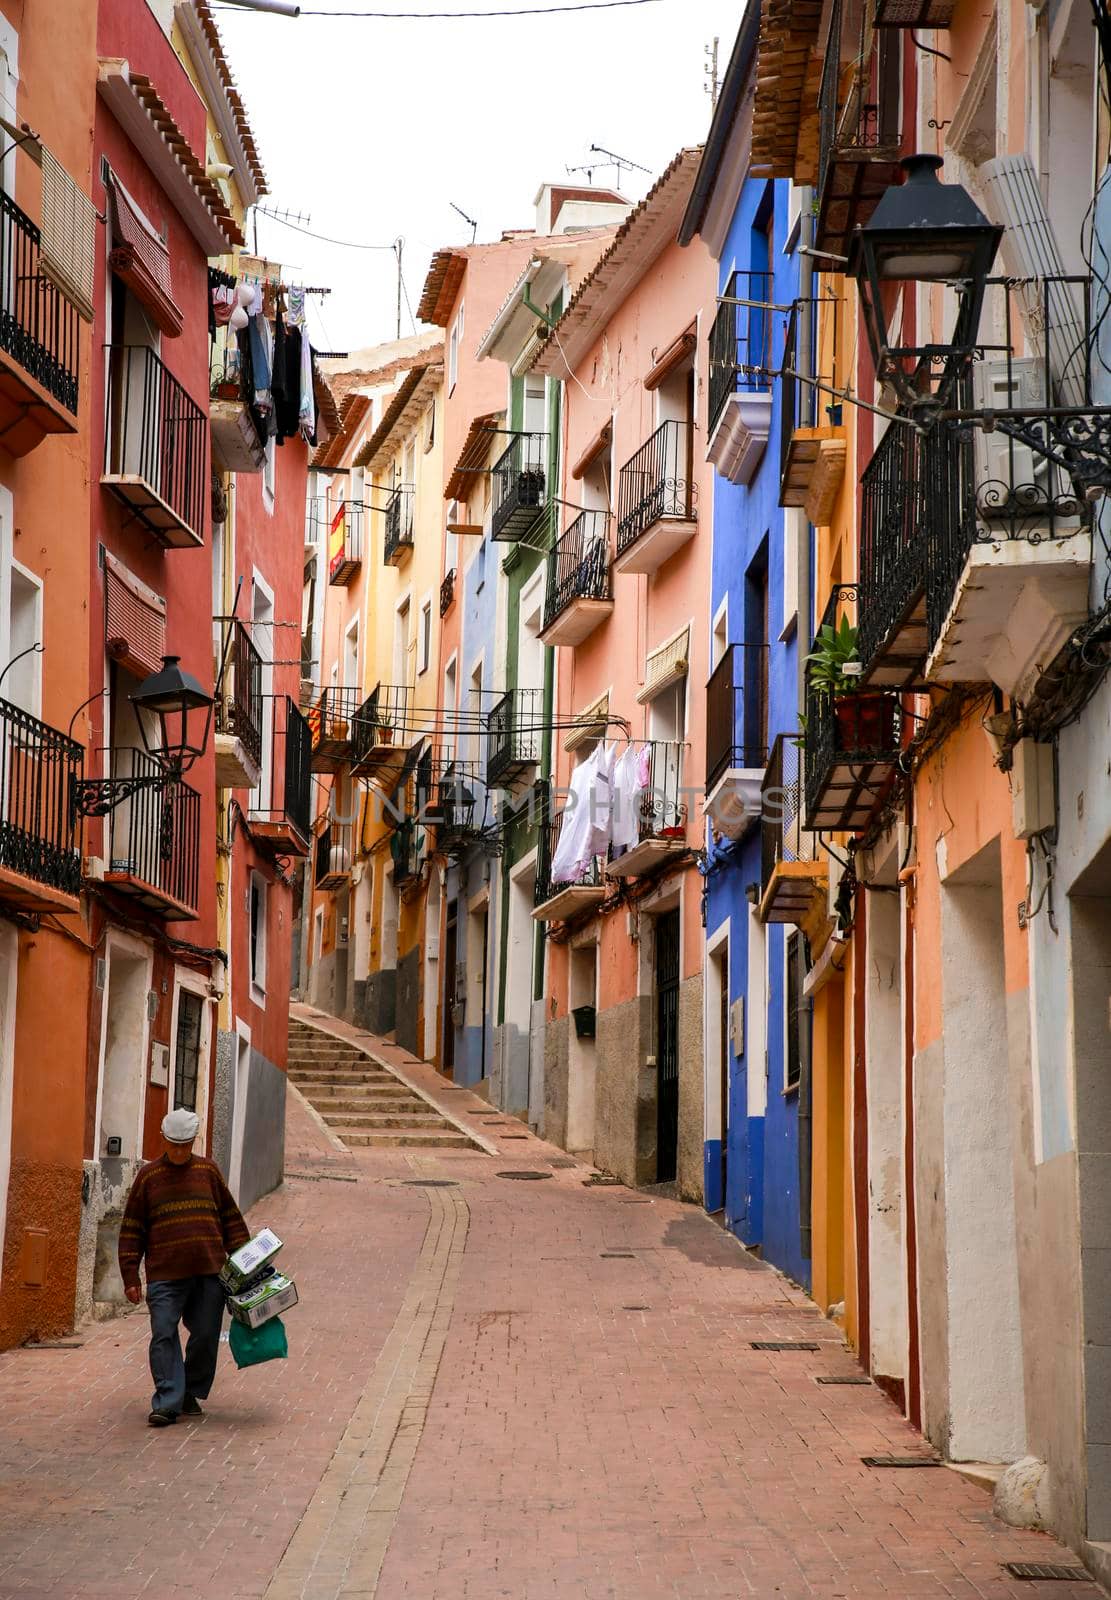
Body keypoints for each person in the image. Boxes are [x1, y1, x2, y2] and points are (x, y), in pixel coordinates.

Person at [117, 1108, 250, 1427]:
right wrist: (130, 1274)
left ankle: (189, 1391)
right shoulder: (148, 1177)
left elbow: (231, 1219)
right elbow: (132, 1227)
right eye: (174, 1144)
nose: (179, 1151)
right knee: (163, 1333)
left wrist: (247, 1261)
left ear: (193, 1141)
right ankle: (166, 1402)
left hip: (209, 1273)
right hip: (165, 1274)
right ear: (164, 1140)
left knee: (205, 1336)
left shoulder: (208, 1172)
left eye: (185, 1144)